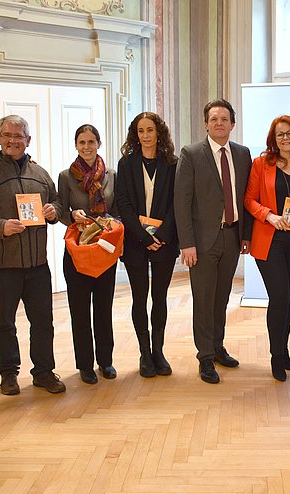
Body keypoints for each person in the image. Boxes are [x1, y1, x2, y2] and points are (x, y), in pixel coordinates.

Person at [0, 114, 66, 396]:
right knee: (4, 322)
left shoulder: (40, 174)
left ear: (28, 140)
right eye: (7, 136)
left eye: (18, 136)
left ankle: (44, 372)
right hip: (2, 266)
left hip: (37, 265)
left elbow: (57, 201)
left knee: (42, 322)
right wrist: (0, 227)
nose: (13, 141)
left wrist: (54, 212)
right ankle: (9, 374)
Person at [174, 98, 253, 384]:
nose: (219, 123)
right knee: (204, 299)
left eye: (224, 119)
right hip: (202, 241)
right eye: (213, 119)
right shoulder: (191, 153)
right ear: (206, 124)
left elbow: (246, 198)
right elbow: (181, 201)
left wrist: (246, 235)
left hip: (232, 237)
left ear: (233, 124)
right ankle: (205, 356)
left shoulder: (243, 154)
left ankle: (218, 346)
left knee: (222, 299)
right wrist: (187, 243)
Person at [244, 115, 290, 381]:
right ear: (273, 139)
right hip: (269, 239)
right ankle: (275, 356)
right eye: (280, 134)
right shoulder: (261, 164)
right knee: (280, 296)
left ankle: (284, 352)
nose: (285, 138)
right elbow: (249, 200)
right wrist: (269, 216)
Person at [116, 112, 179, 378]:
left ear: (158, 132)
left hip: (165, 241)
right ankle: (144, 354)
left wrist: (161, 235)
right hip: (135, 242)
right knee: (139, 298)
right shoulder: (126, 163)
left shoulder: (173, 163)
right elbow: (123, 202)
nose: (145, 136)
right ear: (135, 134)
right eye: (140, 131)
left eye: (150, 130)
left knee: (160, 298)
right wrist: (144, 236)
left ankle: (158, 351)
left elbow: (179, 202)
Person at [58, 124, 117, 385]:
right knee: (80, 311)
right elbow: (59, 211)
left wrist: (109, 222)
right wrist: (71, 214)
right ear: (76, 145)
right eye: (81, 142)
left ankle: (106, 361)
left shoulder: (112, 174)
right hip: (78, 252)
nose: (86, 147)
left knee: (104, 310)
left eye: (91, 141)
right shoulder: (65, 176)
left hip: (104, 251)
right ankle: (85, 365)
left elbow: (118, 210)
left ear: (99, 144)